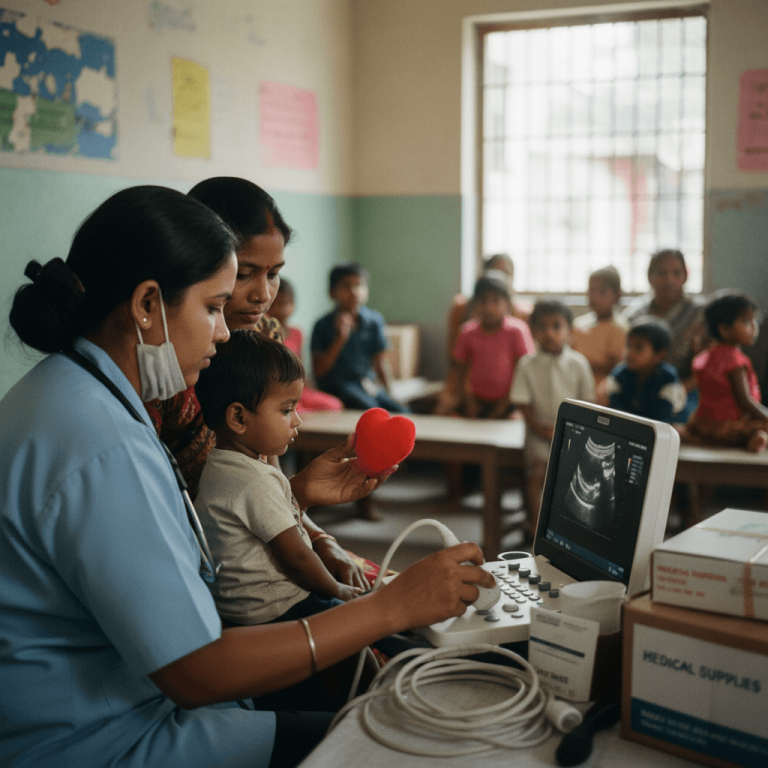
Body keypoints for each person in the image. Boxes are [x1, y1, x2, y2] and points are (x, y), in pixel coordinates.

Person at [0, 185, 496, 768]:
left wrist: (296, 500)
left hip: (122, 703)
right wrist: (390, 608)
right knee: (407, 735)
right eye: (212, 307)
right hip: (104, 739)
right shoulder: (101, 443)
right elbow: (198, 668)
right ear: (146, 304)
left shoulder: (70, 394)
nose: (222, 332)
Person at [194, 330, 361, 627]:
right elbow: (296, 557)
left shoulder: (218, 466)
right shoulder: (255, 481)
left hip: (237, 612)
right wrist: (339, 592)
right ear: (239, 418)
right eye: (286, 410)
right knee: (354, 628)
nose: (297, 419)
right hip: (276, 609)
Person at [511, 299, 595, 540]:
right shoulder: (527, 364)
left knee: (573, 476)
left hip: (574, 434)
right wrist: (539, 427)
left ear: (569, 330)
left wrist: (573, 431)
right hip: (538, 431)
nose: (549, 333)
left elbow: (588, 402)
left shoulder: (579, 364)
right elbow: (523, 402)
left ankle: (568, 525)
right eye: (542, 327)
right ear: (533, 330)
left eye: (557, 326)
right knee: (536, 473)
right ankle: (536, 525)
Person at [436, 253, 531, 416]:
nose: (489, 307)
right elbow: (460, 371)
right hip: (474, 400)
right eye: (483, 301)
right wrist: (469, 402)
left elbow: (523, 372)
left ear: (507, 305)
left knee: (516, 422)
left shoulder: (518, 330)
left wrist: (503, 406)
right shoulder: (467, 331)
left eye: (495, 301)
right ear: (475, 305)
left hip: (509, 401)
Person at [311, 261, 409, 413]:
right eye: (346, 286)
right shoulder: (322, 325)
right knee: (372, 411)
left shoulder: (374, 321)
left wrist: (391, 392)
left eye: (359, 285)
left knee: (402, 411)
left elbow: (380, 364)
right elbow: (319, 371)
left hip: (366, 383)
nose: (354, 291)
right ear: (332, 292)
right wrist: (340, 338)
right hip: (338, 387)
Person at [621, 249, 706, 406]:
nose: (669, 279)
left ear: (685, 276)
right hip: (638, 388)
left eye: (676, 273)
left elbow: (709, 364)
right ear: (650, 277)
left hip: (684, 390)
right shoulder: (635, 314)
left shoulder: (700, 313)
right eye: (661, 273)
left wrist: (679, 389)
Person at [686, 290, 768, 452]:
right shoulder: (735, 361)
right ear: (724, 329)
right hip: (730, 426)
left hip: (704, 424)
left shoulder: (705, 356)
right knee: (762, 426)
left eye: (754, 320)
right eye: (746, 321)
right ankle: (755, 439)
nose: (754, 327)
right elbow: (745, 401)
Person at [268, 277, 343, 413]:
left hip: (300, 390)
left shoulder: (297, 333)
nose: (281, 309)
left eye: (285, 303)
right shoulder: (266, 333)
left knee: (335, 405)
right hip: (277, 391)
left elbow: (300, 368)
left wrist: (311, 388)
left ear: (294, 304)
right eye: (274, 304)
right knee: (295, 412)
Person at [604, 317, 687, 423]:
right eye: (628, 346)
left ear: (659, 354)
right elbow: (614, 409)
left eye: (639, 348)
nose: (630, 353)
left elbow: (664, 417)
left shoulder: (668, 377)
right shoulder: (620, 373)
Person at [570, 266, 627, 388]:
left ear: (617, 296)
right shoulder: (578, 324)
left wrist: (580, 365)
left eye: (602, 292)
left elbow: (615, 366)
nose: (594, 297)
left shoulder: (619, 328)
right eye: (591, 291)